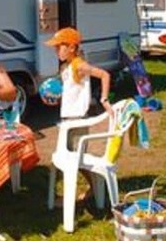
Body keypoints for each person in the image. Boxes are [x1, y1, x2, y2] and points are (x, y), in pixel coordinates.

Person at [46, 26, 112, 203]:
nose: (55, 50)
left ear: (72, 48)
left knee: (73, 159)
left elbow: (104, 75)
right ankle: (96, 187)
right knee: (72, 158)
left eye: (59, 46)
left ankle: (79, 194)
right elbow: (70, 90)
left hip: (77, 121)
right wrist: (55, 98)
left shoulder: (79, 65)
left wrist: (104, 99)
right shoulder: (66, 66)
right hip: (68, 121)